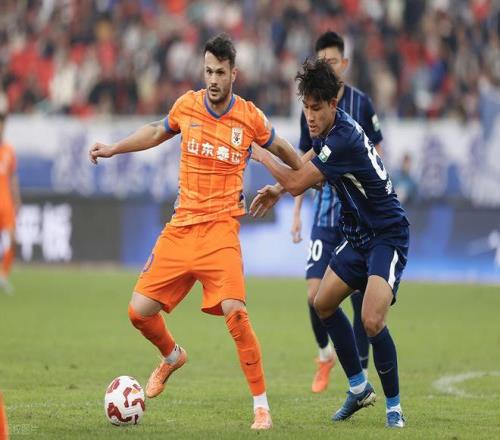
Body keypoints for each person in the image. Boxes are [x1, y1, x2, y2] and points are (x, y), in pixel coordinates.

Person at [89, 33, 302, 430]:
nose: (213, 79)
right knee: (138, 312)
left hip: (221, 232)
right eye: (208, 71)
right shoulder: (187, 105)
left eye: (220, 72)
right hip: (182, 227)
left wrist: (303, 177)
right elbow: (156, 130)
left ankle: (261, 406)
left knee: (236, 313)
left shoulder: (250, 117)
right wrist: (114, 148)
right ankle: (172, 356)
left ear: (234, 74)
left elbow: (287, 152)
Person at [250, 59, 409, 428]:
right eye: (305, 107)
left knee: (371, 320)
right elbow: (306, 163)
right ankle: (358, 388)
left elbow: (297, 182)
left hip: (387, 235)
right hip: (358, 235)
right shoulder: (330, 130)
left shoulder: (343, 139)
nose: (310, 116)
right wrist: (278, 187)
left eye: (316, 108)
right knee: (322, 303)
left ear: (333, 104)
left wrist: (261, 154)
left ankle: (394, 408)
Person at [291, 31, 383, 393]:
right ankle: (325, 354)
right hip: (325, 211)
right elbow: (304, 161)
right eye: (322, 62)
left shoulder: (361, 104)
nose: (327, 67)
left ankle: (359, 374)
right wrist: (297, 212)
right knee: (314, 294)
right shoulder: (311, 107)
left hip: (357, 214)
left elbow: (376, 155)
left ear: (343, 64)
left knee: (360, 299)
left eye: (332, 62)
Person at [0, 113, 21, 295]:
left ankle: (3, 276)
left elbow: (13, 177)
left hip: (6, 203)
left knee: (13, 240)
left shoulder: (8, 150)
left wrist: (17, 199)